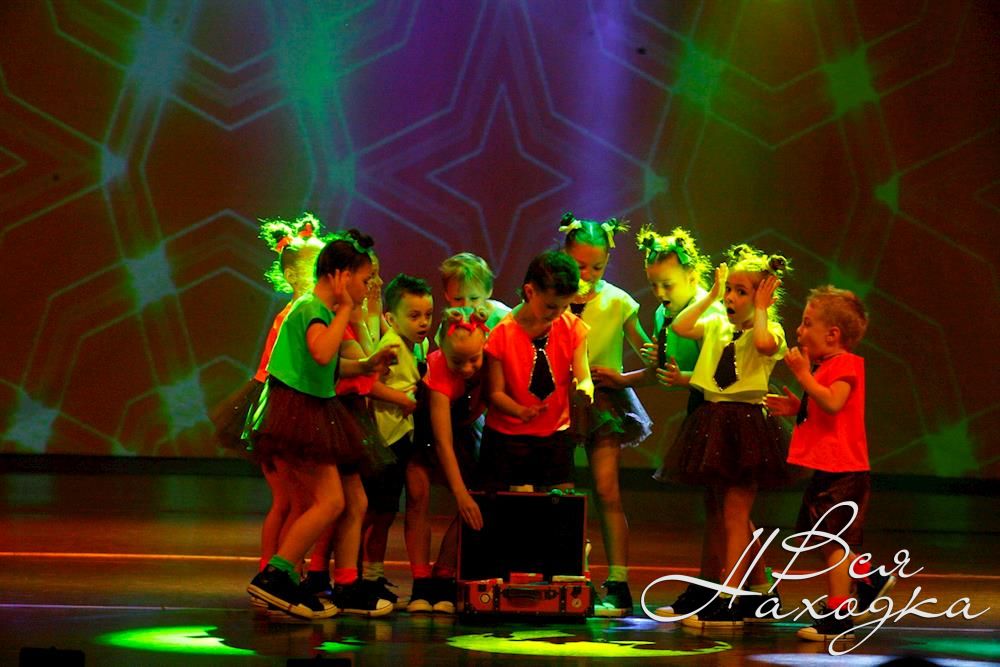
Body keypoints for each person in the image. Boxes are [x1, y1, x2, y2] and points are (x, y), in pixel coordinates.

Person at [245, 230, 395, 619]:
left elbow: (327, 364)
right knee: (329, 501)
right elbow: (322, 351)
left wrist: (366, 365)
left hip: (310, 407)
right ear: (341, 276)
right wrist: (345, 309)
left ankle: (285, 576)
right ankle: (276, 575)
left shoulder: (319, 311)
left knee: (337, 500)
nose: (368, 288)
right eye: (364, 279)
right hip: (299, 412)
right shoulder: (312, 308)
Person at [661, 243, 791, 628]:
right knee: (721, 512)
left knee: (736, 514)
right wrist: (712, 296)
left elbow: (764, 344)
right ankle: (745, 590)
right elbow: (681, 327)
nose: (732, 297)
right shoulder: (717, 322)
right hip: (712, 420)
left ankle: (729, 598)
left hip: (746, 425)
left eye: (741, 291)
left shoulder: (771, 330)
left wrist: (762, 310)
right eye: (730, 289)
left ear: (762, 297)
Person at [765, 286, 895, 641]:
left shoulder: (845, 365)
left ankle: (838, 615)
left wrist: (803, 377)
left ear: (832, 334)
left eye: (807, 323)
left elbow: (835, 403)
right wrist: (798, 407)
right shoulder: (825, 367)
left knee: (832, 542)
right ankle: (868, 577)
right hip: (829, 468)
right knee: (823, 538)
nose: (799, 330)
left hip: (844, 471)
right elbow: (827, 409)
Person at [210, 213, 326, 576]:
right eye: (316, 271)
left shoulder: (308, 312)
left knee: (296, 500)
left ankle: (282, 567)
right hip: (274, 406)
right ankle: (274, 569)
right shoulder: (295, 314)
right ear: (292, 276)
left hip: (283, 405)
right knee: (289, 500)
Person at [558, 213, 654, 617]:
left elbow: (653, 363)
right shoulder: (553, 298)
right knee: (559, 492)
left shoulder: (617, 301)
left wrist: (621, 377)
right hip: (559, 400)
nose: (588, 275)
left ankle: (618, 582)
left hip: (603, 403)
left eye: (597, 267)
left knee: (607, 489)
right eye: (580, 266)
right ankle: (561, 573)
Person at [480, 250, 593, 493]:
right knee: (521, 502)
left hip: (555, 433)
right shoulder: (502, 334)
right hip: (510, 436)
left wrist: (584, 389)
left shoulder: (572, 328)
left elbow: (584, 376)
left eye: (565, 306)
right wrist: (519, 410)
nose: (558, 313)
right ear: (530, 292)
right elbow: (496, 393)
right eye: (551, 306)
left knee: (561, 501)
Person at [362, 274, 438, 613]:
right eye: (414, 315)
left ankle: (374, 575)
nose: (423, 322)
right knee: (377, 512)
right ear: (391, 318)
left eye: (428, 315)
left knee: (387, 511)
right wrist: (401, 399)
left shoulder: (416, 345)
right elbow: (368, 384)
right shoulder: (391, 346)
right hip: (386, 439)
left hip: (403, 436)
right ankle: (364, 576)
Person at [421, 306, 491, 613]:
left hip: (469, 424)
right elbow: (443, 441)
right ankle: (436, 577)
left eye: (474, 359)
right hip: (434, 433)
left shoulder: (491, 358)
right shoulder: (439, 371)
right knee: (462, 500)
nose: (466, 368)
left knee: (483, 495)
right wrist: (460, 494)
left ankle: (450, 570)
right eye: (457, 362)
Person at [439, 252, 511, 331]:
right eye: (458, 299)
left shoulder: (505, 319)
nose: (466, 305)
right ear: (447, 295)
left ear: (489, 292)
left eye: (474, 298)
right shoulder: (450, 321)